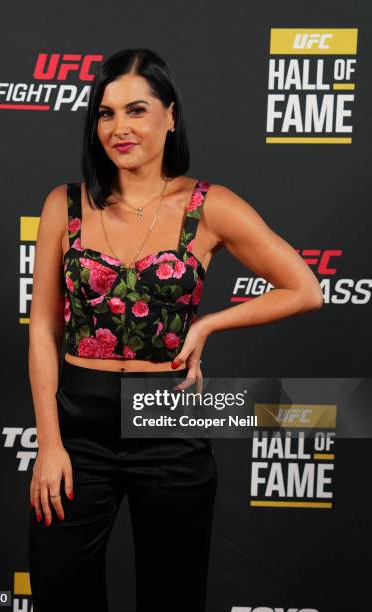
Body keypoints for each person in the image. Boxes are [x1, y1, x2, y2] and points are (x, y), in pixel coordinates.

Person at [27, 48, 323, 612]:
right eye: (106, 113)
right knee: (59, 592)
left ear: (170, 116)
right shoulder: (63, 206)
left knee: (172, 597)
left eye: (136, 110)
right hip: (78, 429)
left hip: (168, 420)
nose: (119, 128)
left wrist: (210, 322)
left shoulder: (209, 206)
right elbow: (43, 329)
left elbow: (305, 288)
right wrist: (49, 443)